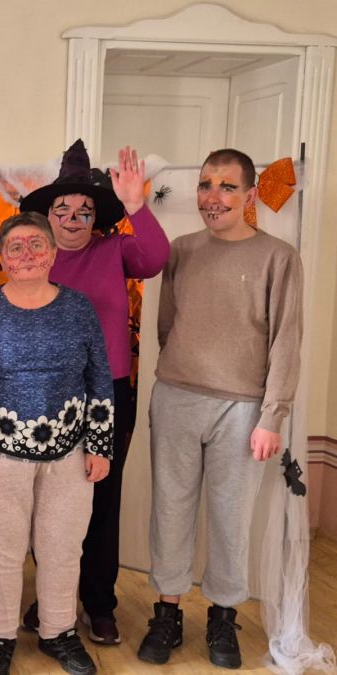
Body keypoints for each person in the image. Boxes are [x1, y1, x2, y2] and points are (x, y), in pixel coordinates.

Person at [137, 149, 303, 669]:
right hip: (177, 397)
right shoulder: (182, 250)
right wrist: (182, 370)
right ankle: (167, 612)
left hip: (243, 408)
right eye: (206, 185)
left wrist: (272, 416)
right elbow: (166, 325)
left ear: (250, 195)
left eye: (227, 187)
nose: (214, 196)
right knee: (170, 508)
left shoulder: (278, 257)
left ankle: (224, 615)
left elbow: (285, 340)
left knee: (231, 516)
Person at [0, 212, 114, 675]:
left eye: (36, 244)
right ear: (3, 258)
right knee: (0, 553)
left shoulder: (78, 308)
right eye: (15, 247)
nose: (26, 254)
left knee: (63, 549)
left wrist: (100, 445)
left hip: (70, 455)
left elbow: (99, 377)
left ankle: (58, 632)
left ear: (53, 254)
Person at [19, 140, 169, 644]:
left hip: (109, 393)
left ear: (96, 217)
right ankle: (51, 595)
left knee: (102, 497)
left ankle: (99, 601)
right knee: (50, 501)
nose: (72, 219)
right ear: (48, 215)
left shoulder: (115, 250)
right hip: (48, 394)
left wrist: (136, 206)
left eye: (84, 211)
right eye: (62, 210)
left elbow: (156, 257)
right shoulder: (33, 261)